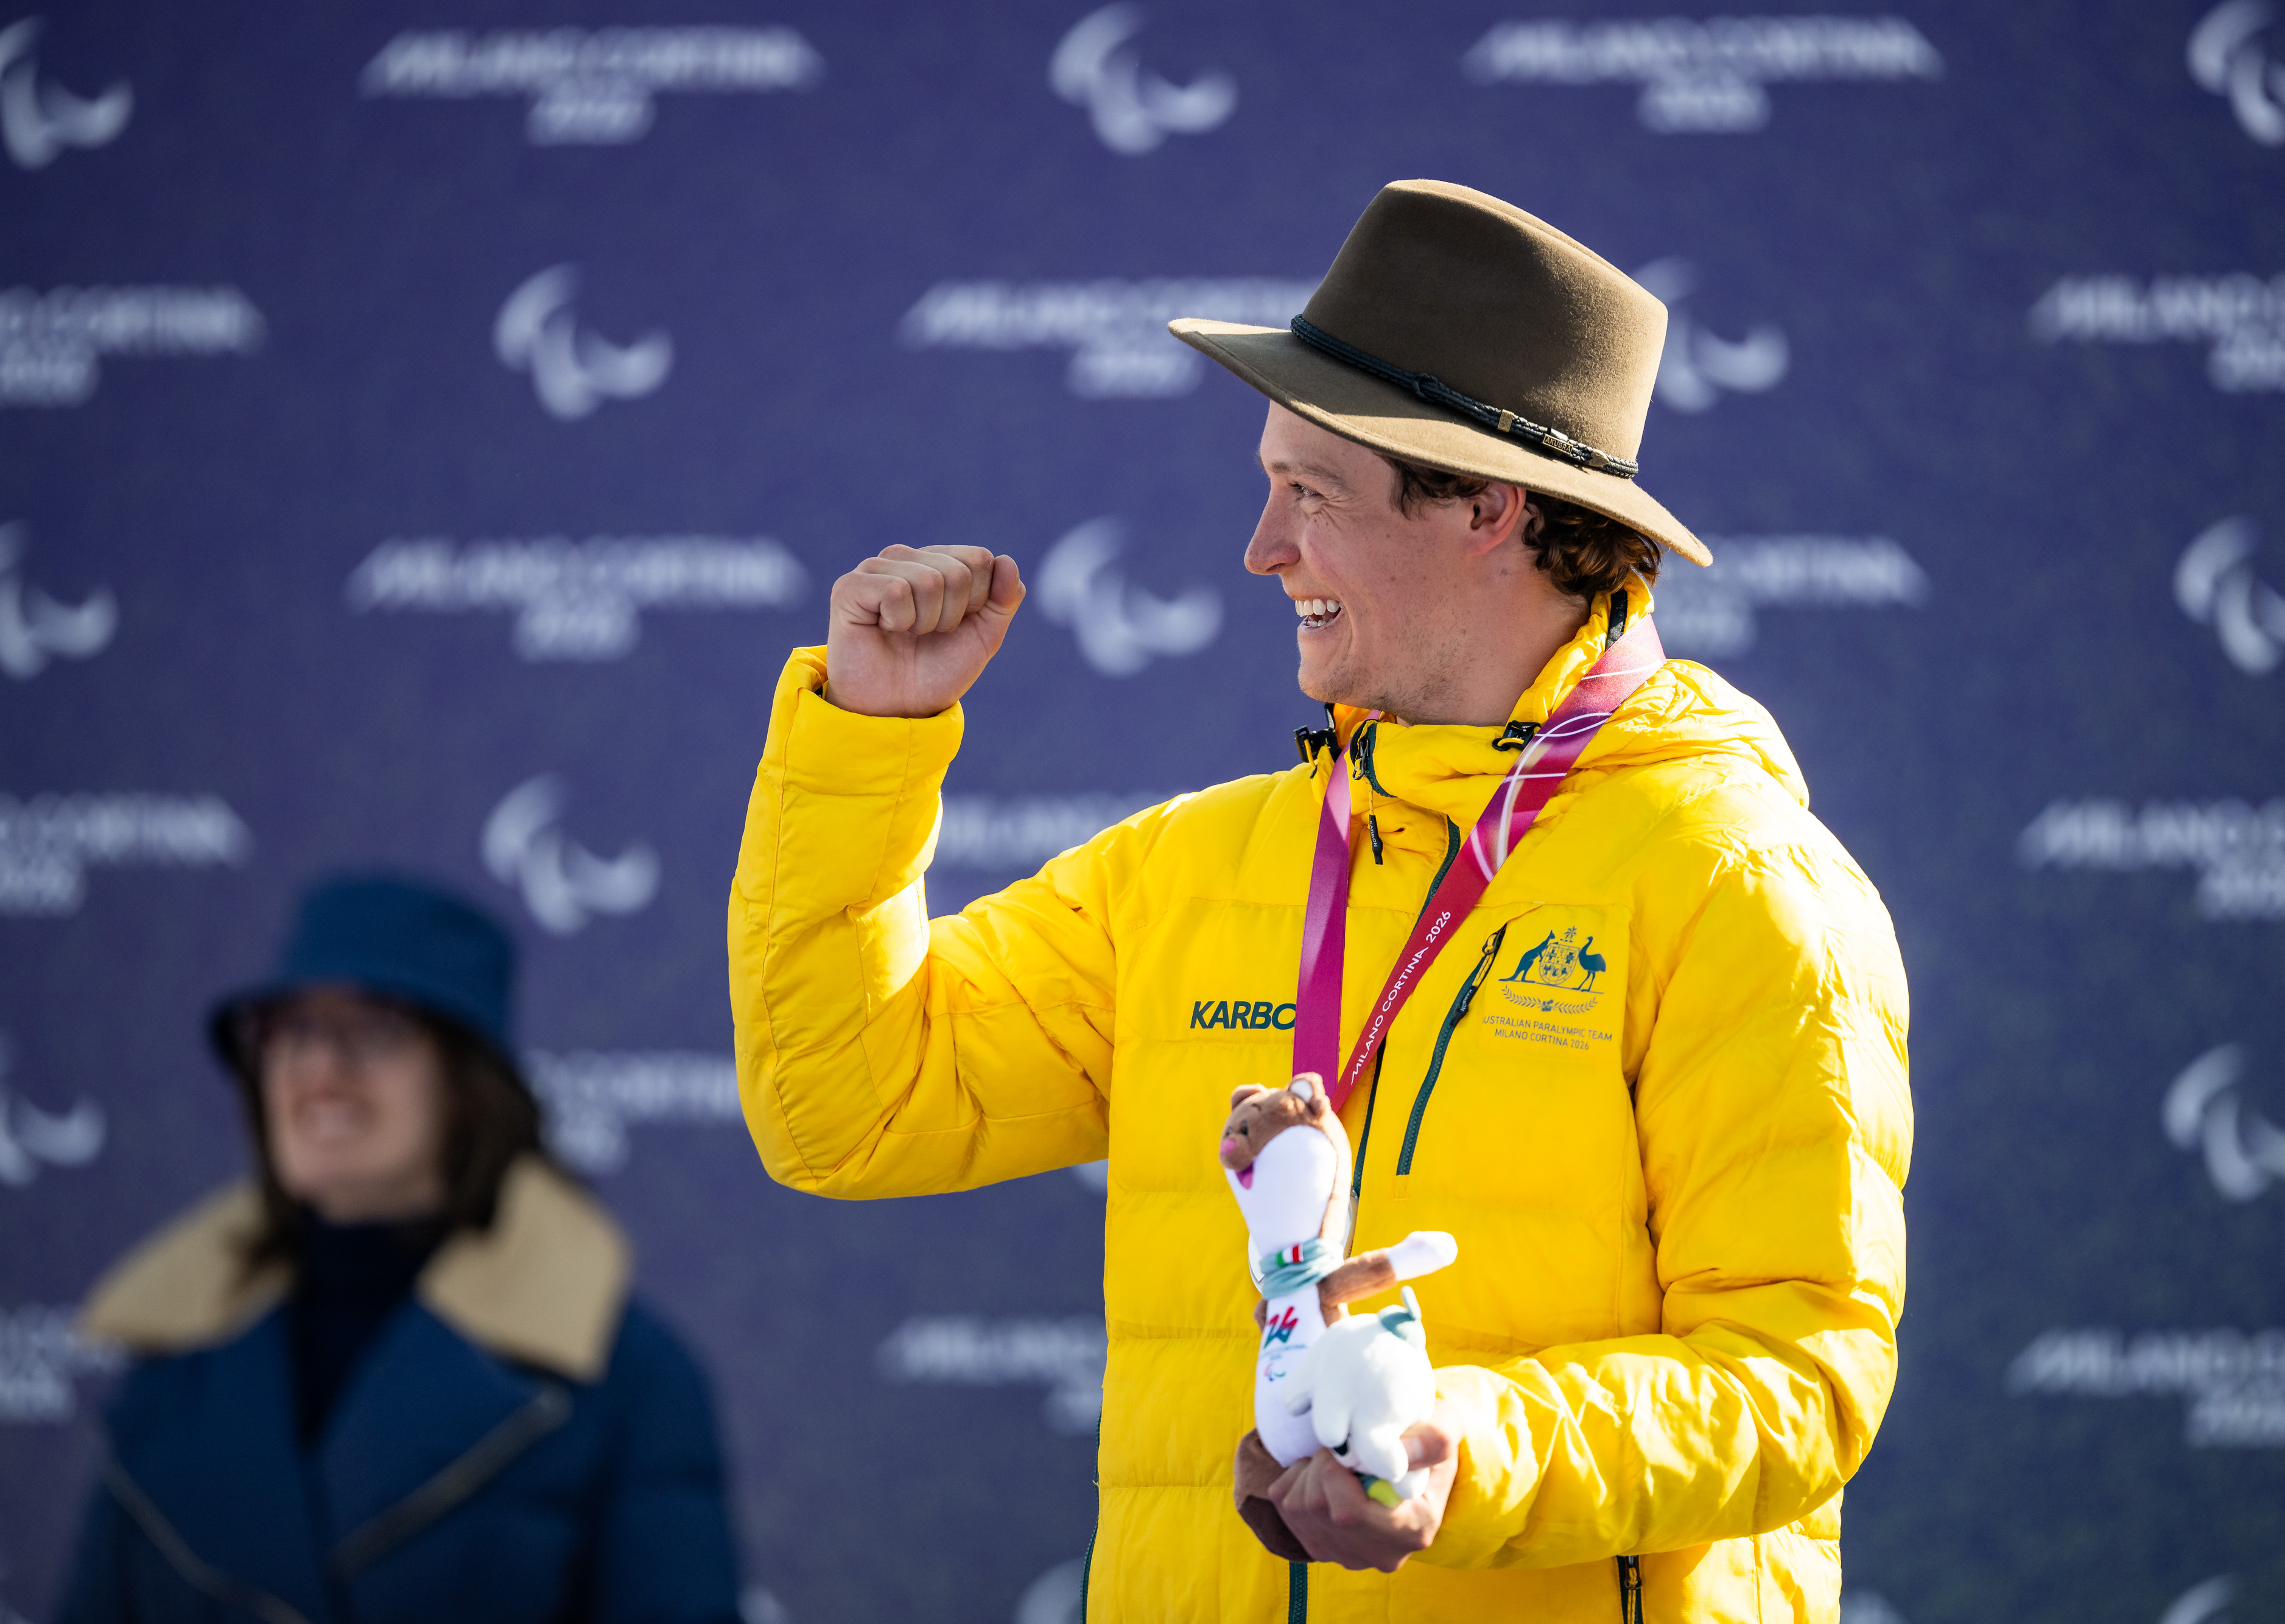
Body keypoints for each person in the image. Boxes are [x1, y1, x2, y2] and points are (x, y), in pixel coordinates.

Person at [729, 180, 1910, 1622]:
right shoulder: (1187, 867)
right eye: (1268, 483)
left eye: (1313, 494)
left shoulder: (1737, 879)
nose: (1259, 548)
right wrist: (868, 735)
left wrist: (1459, 1454)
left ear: (1489, 507)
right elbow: (846, 1109)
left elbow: (1796, 1380)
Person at [58, 873, 745, 1624]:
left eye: (373, 1028)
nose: (319, 1070)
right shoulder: (175, 1361)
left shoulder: (627, 1379)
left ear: (467, 1080)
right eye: (291, 1030)